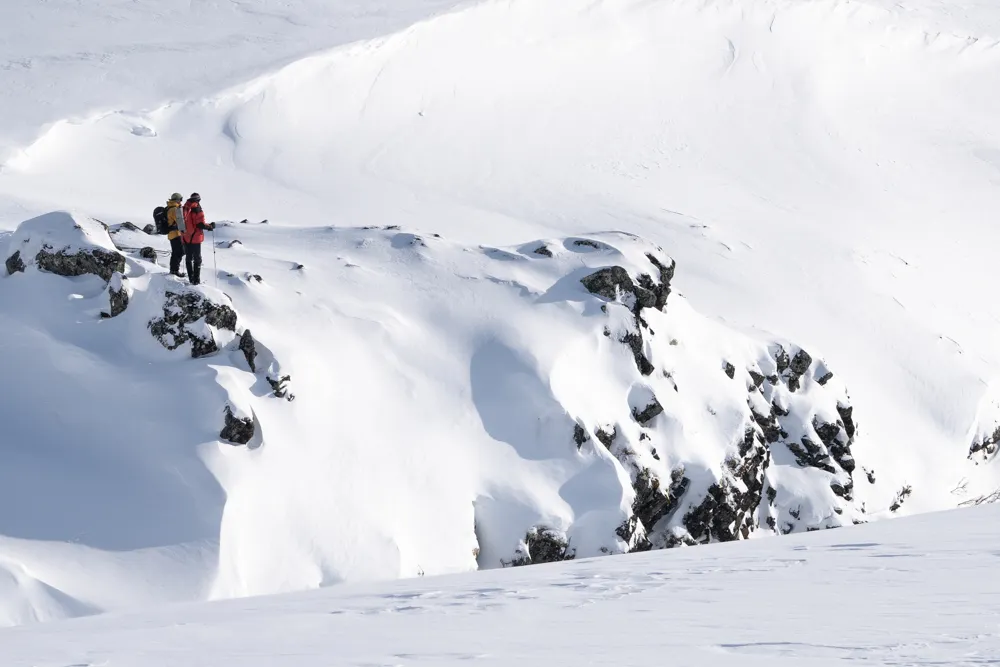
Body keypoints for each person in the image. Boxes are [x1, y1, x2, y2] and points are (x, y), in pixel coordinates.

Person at [181, 193, 215, 285]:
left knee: (188, 258)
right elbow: (200, 224)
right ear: (198, 200)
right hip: (195, 237)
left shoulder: (185, 208)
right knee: (197, 259)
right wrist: (210, 226)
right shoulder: (197, 208)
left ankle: (191, 279)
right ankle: (196, 280)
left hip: (185, 237)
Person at [165, 193, 186, 276]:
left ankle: (174, 270)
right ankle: (174, 271)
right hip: (176, 234)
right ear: (177, 199)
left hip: (172, 234)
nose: (181, 201)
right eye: (181, 199)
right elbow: (180, 223)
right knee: (179, 252)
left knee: (176, 252)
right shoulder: (175, 209)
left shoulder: (169, 207)